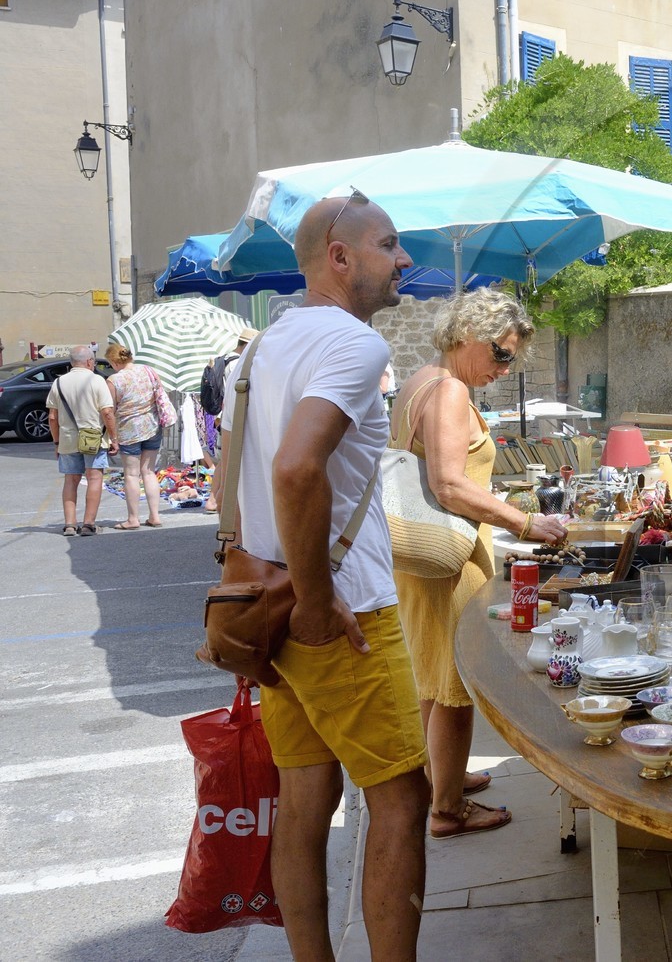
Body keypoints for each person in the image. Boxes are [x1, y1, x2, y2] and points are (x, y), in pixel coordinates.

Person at [221, 192, 429, 961]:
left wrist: (262, 580)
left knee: (305, 797)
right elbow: (296, 467)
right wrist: (314, 599)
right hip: (340, 612)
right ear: (339, 257)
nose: (404, 258)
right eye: (390, 243)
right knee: (403, 798)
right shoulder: (355, 345)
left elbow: (229, 479)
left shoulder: (261, 348)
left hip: (266, 605)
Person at [391, 289, 568, 839]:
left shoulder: (421, 380)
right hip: (448, 558)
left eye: (510, 357)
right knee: (455, 684)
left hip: (424, 557)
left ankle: (439, 777)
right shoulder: (446, 391)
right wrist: (524, 522)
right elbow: (448, 484)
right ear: (467, 334)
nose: (504, 367)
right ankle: (446, 810)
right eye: (500, 352)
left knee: (432, 676)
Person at [46, 345, 117, 535]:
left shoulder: (59, 382)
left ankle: (70, 524)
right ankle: (88, 524)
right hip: (94, 438)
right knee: (94, 478)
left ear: (71, 362)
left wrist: (56, 442)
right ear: (89, 362)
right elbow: (107, 412)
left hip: (67, 440)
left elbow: (52, 417)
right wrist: (114, 438)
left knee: (71, 479)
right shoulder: (97, 381)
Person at [104, 342, 167, 529]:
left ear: (114, 361)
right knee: (148, 472)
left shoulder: (114, 380)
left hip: (128, 429)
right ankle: (155, 516)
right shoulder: (148, 370)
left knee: (131, 474)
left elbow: (110, 409)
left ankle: (133, 519)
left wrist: (112, 437)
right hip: (152, 426)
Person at [202, 328, 259, 512]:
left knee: (224, 462)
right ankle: (217, 500)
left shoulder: (224, 359)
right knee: (228, 463)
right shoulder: (237, 365)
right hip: (232, 419)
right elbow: (235, 394)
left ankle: (215, 499)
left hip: (222, 418)